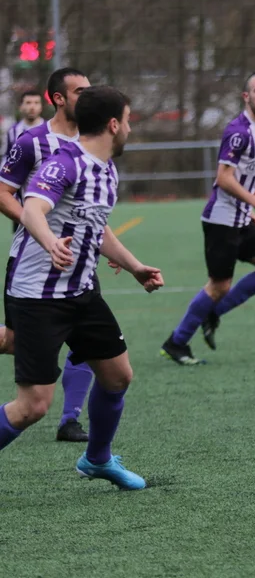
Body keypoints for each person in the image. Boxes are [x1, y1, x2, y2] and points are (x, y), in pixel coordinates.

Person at [0, 85, 164, 490]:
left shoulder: (107, 169)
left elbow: (97, 226)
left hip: (81, 292)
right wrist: (50, 242)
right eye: (128, 120)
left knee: (118, 376)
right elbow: (33, 207)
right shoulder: (64, 163)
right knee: (32, 406)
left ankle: (97, 459)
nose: (130, 128)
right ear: (114, 124)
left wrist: (135, 266)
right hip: (38, 296)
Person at [160, 72, 255, 365]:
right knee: (219, 286)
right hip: (221, 220)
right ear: (246, 97)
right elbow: (224, 178)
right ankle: (177, 342)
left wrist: (248, 209)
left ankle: (212, 313)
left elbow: (243, 177)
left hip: (241, 217)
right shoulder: (238, 131)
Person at [0, 68, 95, 442]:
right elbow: (3, 193)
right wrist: (39, 229)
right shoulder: (31, 142)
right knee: (14, 341)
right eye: (81, 91)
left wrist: (113, 249)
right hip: (33, 264)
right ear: (58, 98)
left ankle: (70, 419)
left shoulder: (92, 140)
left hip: (78, 262)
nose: (88, 97)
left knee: (91, 342)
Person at [5, 90, 44, 160]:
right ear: (21, 107)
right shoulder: (13, 131)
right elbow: (7, 156)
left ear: (41, 107)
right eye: (28, 103)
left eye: (36, 103)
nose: (32, 107)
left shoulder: (51, 129)